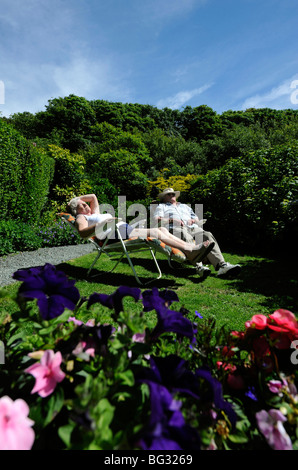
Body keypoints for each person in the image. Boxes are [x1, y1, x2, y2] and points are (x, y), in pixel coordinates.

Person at [67, 194, 215, 266]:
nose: (86, 206)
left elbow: (93, 197)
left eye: (85, 204)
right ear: (77, 210)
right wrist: (105, 223)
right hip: (114, 236)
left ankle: (191, 248)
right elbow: (82, 233)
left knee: (162, 228)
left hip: (122, 230)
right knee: (156, 232)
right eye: (82, 205)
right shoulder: (81, 217)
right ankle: (191, 252)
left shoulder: (94, 213)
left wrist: (76, 199)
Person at [153, 188, 241, 278]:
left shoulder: (185, 206)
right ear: (164, 198)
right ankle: (199, 267)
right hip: (176, 228)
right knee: (184, 235)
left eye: (173, 194)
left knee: (207, 234)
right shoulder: (162, 207)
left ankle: (222, 266)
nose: (172, 195)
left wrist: (193, 220)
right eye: (169, 194)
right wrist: (172, 220)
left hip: (192, 227)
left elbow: (196, 218)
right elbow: (156, 220)